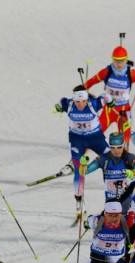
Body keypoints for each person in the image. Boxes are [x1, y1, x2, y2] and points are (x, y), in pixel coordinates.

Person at [54, 85, 112, 218]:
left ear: (87, 99)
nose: (80, 104)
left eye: (83, 101)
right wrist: (57, 108)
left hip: (95, 138)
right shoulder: (68, 104)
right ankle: (79, 201)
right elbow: (60, 102)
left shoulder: (94, 103)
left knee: (110, 160)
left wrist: (110, 100)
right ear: (73, 100)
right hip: (77, 140)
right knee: (78, 169)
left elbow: (107, 98)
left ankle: (113, 192)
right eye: (77, 102)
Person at [85, 46, 135, 143]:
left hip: (123, 112)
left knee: (125, 141)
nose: (119, 64)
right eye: (117, 61)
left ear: (126, 60)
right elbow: (88, 84)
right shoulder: (107, 72)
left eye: (122, 61)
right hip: (108, 110)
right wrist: (84, 98)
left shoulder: (132, 73)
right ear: (113, 60)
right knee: (93, 136)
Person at [85, 132, 135, 203]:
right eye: (112, 147)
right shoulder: (104, 158)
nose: (116, 150)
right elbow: (84, 171)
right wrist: (83, 165)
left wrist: (134, 173)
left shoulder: (130, 158)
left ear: (123, 145)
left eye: (119, 147)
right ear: (109, 146)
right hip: (110, 203)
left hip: (128, 201)